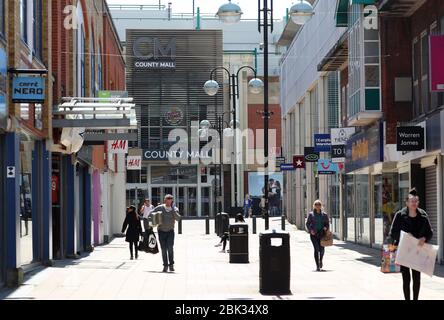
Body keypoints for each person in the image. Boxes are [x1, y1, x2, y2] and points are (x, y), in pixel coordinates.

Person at [389, 188, 433, 300]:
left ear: (418, 202)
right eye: (411, 201)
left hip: (418, 251)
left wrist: (424, 238)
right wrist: (404, 236)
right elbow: (392, 233)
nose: (414, 203)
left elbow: (430, 232)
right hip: (404, 250)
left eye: (416, 201)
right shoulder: (400, 215)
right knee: (406, 278)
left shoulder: (423, 215)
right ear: (407, 202)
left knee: (417, 278)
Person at [153, 194, 181, 272]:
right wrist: (153, 222)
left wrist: (172, 209)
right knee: (163, 249)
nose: (169, 200)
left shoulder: (174, 209)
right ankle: (165, 265)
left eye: (171, 199)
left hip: (170, 232)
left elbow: (178, 218)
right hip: (161, 231)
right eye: (168, 198)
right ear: (165, 200)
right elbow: (151, 214)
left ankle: (171, 265)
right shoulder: (160, 207)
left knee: (170, 248)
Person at [305, 200, 330, 271]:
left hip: (322, 234)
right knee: (316, 249)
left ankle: (321, 260)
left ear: (321, 206)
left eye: (319, 204)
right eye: (316, 204)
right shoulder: (311, 214)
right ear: (314, 206)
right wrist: (310, 230)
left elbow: (327, 224)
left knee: (322, 249)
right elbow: (307, 223)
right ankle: (317, 266)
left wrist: (326, 227)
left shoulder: (324, 215)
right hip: (314, 234)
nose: (317, 206)